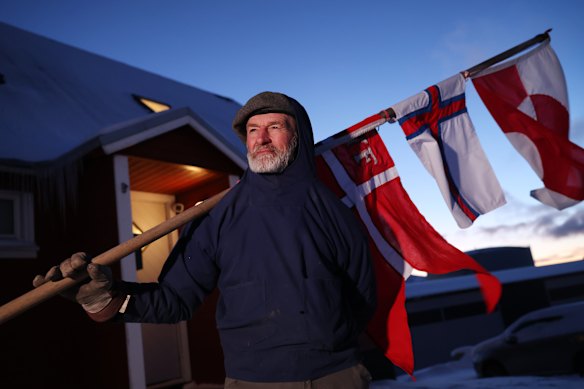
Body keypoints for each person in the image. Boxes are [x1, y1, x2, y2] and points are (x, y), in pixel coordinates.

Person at [34, 92, 377, 388]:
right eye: (253, 131)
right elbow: (174, 299)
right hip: (252, 382)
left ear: (298, 135)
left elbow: (363, 297)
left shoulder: (334, 213)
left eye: (275, 127)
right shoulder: (217, 217)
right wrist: (103, 299)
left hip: (336, 377)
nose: (261, 139)